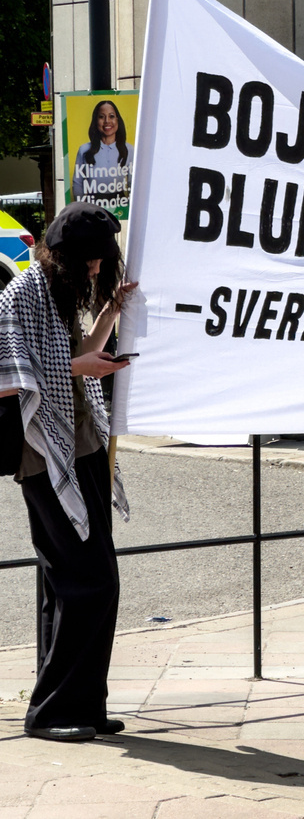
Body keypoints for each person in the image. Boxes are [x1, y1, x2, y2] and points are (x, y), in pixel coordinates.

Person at [0, 202, 137, 742]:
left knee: (83, 583)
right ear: (63, 256)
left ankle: (82, 704)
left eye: (103, 262)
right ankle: (52, 712)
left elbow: (73, 355)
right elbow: (9, 376)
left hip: (79, 447)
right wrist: (79, 368)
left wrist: (109, 316)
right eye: (90, 262)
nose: (97, 271)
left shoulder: (54, 295)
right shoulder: (19, 295)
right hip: (45, 452)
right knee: (88, 582)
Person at [71, 100, 134, 209]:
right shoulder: (84, 150)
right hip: (92, 205)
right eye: (101, 117)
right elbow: (77, 182)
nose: (107, 121)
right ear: (95, 121)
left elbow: (132, 182)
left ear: (118, 119)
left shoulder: (128, 149)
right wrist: (81, 208)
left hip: (120, 203)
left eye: (111, 116)